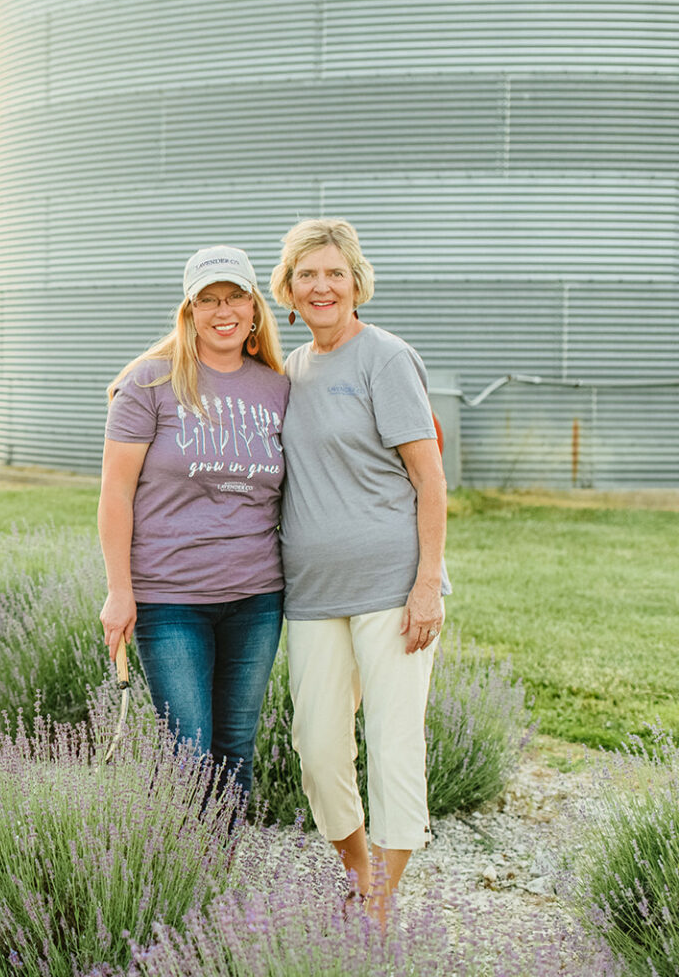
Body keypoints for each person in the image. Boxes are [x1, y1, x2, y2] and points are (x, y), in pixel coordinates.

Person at [269, 218, 449, 922]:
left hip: (391, 589)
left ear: (355, 283)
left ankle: (378, 900)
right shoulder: (291, 371)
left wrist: (428, 581)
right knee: (316, 751)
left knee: (394, 745)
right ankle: (359, 865)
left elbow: (430, 480)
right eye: (306, 275)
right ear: (286, 289)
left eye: (333, 274)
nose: (321, 287)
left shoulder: (386, 358)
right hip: (313, 596)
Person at [99, 245, 289, 805]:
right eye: (208, 300)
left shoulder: (277, 389)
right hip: (170, 599)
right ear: (189, 311)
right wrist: (119, 592)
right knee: (187, 754)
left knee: (235, 748)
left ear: (254, 309)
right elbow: (115, 494)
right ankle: (184, 881)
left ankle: (221, 882)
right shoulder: (150, 384)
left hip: (257, 599)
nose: (222, 310)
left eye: (234, 297)